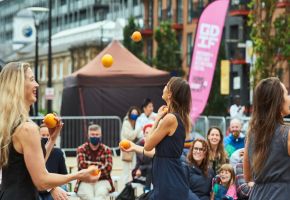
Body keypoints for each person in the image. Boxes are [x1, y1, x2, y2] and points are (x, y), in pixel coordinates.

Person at [0, 62, 99, 200]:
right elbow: (41, 181)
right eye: (31, 79)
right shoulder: (28, 128)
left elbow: (30, 166)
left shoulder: (8, 124)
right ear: (18, 86)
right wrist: (78, 175)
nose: (37, 84)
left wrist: (52, 140)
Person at [121, 77, 199, 200]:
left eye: (167, 85)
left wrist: (157, 119)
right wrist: (134, 146)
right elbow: (159, 153)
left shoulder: (170, 119)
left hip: (168, 177)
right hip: (169, 175)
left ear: (170, 93)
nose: (164, 87)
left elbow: (148, 144)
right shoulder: (176, 117)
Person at [244, 77, 290, 200]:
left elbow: (247, 176)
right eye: (286, 94)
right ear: (278, 101)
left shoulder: (252, 133)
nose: (289, 98)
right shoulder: (287, 133)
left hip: (258, 195)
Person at [75, 124, 114, 200]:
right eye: (92, 134)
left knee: (100, 195)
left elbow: (108, 168)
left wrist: (90, 169)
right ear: (88, 135)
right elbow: (82, 165)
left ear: (101, 135)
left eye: (97, 134)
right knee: (88, 197)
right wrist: (100, 165)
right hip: (85, 181)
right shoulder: (81, 149)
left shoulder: (107, 149)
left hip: (102, 180)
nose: (95, 136)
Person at [38, 123, 68, 200]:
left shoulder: (58, 153)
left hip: (54, 185)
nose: (45, 138)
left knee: (62, 190)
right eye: (43, 135)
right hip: (39, 188)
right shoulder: (33, 153)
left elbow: (63, 174)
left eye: (48, 135)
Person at [120, 106, 141, 183]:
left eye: (136, 113)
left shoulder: (137, 123)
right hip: (126, 148)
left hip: (134, 149)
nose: (134, 115)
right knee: (126, 170)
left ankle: (132, 188)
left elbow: (140, 135)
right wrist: (138, 129)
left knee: (133, 169)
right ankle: (126, 189)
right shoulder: (126, 123)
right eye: (133, 113)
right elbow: (130, 136)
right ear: (129, 114)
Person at [132, 123, 153, 192]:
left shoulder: (156, 144)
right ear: (144, 134)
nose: (148, 134)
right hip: (144, 170)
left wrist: (140, 168)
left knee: (151, 168)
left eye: (150, 132)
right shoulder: (139, 144)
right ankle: (146, 192)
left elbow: (153, 162)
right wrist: (137, 170)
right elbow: (141, 160)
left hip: (153, 169)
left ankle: (147, 190)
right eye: (146, 132)